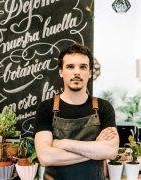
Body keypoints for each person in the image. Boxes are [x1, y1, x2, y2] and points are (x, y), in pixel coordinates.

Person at [34, 44, 119, 180]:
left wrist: (64, 144)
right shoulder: (46, 108)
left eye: (83, 67)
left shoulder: (104, 107)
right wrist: (95, 150)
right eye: (70, 66)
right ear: (61, 71)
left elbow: (111, 151)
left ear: (90, 72)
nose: (77, 72)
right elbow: (45, 157)